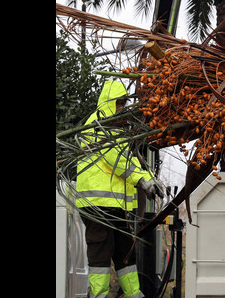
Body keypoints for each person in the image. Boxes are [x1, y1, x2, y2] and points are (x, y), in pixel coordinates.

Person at [74, 80, 166, 298]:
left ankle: (135, 294)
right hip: (98, 207)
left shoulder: (115, 129)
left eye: (124, 104)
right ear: (109, 102)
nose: (122, 109)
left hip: (115, 208)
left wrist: (149, 178)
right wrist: (143, 181)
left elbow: (129, 160)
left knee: (126, 255)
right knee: (100, 257)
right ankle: (99, 295)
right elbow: (116, 160)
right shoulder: (98, 125)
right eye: (119, 104)